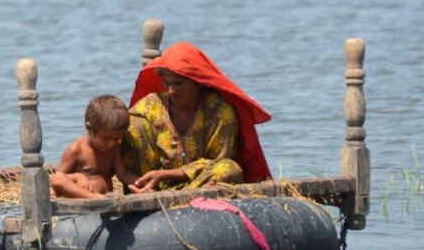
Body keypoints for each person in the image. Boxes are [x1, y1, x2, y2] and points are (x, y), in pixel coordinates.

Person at [122, 41, 272, 193]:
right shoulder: (150, 106)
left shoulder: (218, 110)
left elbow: (218, 161)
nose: (171, 91)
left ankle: (184, 198)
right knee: (133, 126)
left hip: (201, 185)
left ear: (198, 82)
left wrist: (166, 174)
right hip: (155, 187)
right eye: (167, 84)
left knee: (228, 169)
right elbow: (111, 132)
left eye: (179, 84)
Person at [51, 95, 141, 199]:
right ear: (89, 127)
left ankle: (101, 200)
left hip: (107, 202)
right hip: (82, 203)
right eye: (106, 138)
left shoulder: (114, 149)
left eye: (117, 139)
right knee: (59, 179)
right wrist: (78, 177)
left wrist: (141, 183)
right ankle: (95, 198)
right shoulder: (76, 149)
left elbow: (123, 174)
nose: (112, 143)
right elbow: (57, 180)